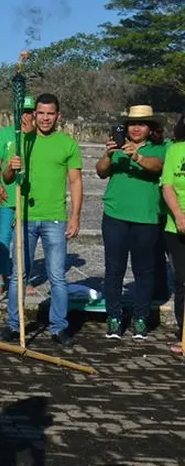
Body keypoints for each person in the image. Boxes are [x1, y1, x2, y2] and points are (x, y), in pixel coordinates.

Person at [3, 93, 83, 346]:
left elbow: (75, 181)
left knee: (57, 276)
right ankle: (14, 325)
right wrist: (11, 167)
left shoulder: (68, 144)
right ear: (34, 114)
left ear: (58, 116)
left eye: (50, 113)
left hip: (55, 219)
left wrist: (75, 217)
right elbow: (6, 178)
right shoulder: (21, 141)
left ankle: (58, 327)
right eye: (41, 113)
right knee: (19, 276)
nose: (45, 118)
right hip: (25, 217)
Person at [97, 105, 166, 340]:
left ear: (151, 128)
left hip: (146, 217)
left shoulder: (161, 148)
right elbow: (101, 172)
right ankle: (114, 317)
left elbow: (158, 167)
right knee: (114, 269)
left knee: (144, 271)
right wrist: (108, 154)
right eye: (132, 124)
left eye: (142, 124)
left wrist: (136, 156)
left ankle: (140, 318)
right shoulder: (117, 147)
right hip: (115, 215)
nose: (136, 128)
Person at [0, 96, 37, 295]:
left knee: (26, 239)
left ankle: (24, 278)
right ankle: (1, 277)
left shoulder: (38, 136)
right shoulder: (6, 133)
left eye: (28, 111)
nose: (25, 115)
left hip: (29, 196)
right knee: (4, 235)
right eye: (22, 111)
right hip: (7, 193)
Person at [162, 111, 185, 354]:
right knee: (182, 281)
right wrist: (179, 214)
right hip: (176, 226)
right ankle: (184, 333)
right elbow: (167, 184)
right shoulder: (175, 150)